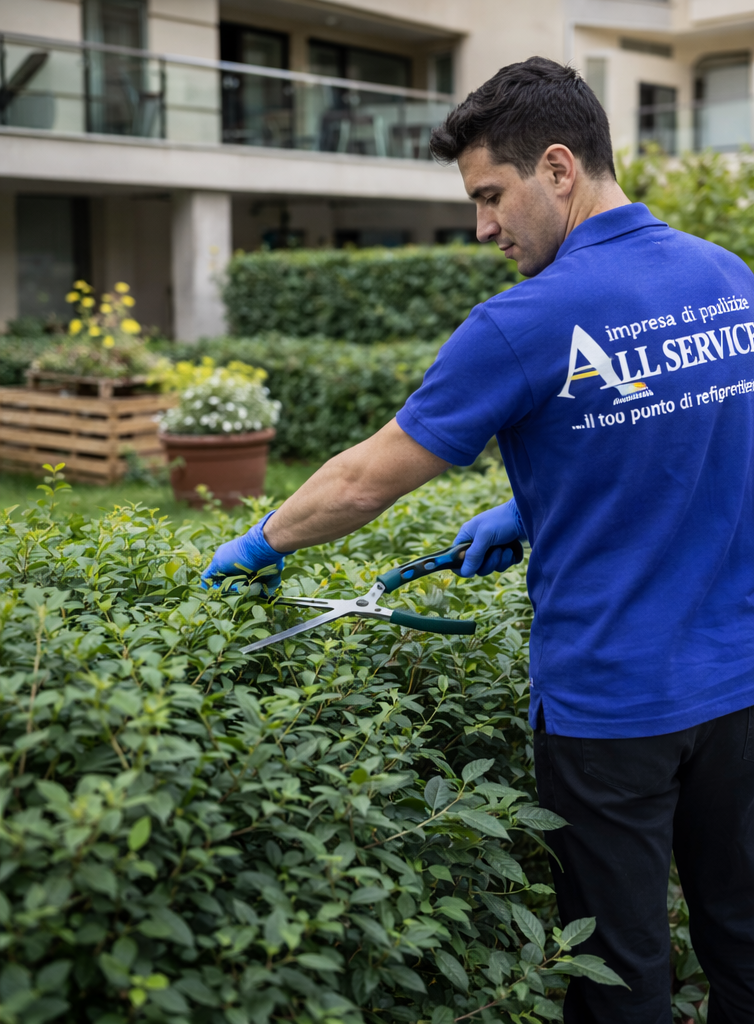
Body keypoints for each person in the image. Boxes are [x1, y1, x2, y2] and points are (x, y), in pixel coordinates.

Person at [203, 57, 754, 1023]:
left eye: (490, 196)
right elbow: (693, 441)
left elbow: (367, 478)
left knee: (619, 975)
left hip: (609, 709)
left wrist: (262, 542)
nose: (482, 227)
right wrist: (534, 509)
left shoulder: (524, 321)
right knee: (746, 939)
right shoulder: (729, 277)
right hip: (744, 688)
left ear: (556, 168)